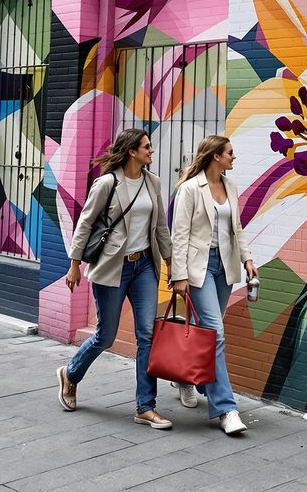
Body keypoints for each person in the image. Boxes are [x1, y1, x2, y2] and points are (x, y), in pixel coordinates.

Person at [56, 128, 174, 429]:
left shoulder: (153, 182)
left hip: (145, 266)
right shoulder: (107, 183)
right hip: (113, 267)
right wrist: (74, 265)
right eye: (147, 147)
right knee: (106, 336)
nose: (151, 150)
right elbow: (85, 224)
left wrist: (172, 264)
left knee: (146, 335)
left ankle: (145, 407)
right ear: (132, 151)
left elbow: (160, 227)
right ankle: (71, 374)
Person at [168, 135, 258, 435]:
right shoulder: (190, 189)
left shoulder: (230, 187)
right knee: (215, 333)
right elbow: (179, 234)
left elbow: (237, 229)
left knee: (204, 332)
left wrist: (247, 260)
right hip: (199, 267)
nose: (234, 157)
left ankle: (185, 379)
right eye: (230, 153)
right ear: (215, 156)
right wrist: (178, 275)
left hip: (224, 266)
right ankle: (225, 408)